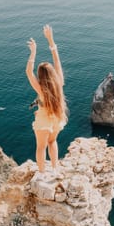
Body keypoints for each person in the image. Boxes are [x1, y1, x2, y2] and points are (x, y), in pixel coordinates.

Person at [26, 25, 68, 173]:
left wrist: (33, 52)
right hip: (58, 117)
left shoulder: (42, 90)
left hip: (44, 120)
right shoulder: (59, 83)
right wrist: (50, 40)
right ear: (52, 74)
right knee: (52, 141)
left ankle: (42, 173)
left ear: (42, 76)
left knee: (41, 147)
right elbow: (57, 62)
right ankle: (55, 168)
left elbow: (29, 73)